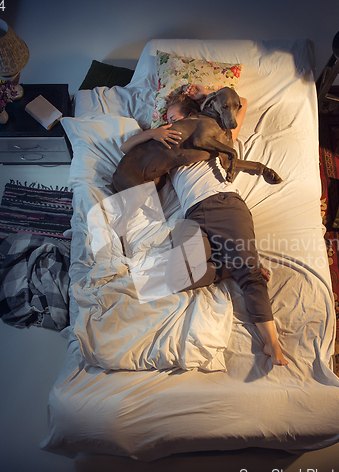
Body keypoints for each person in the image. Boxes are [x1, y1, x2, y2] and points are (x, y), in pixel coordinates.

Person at [120, 86, 288, 366]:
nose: (169, 124)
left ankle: (272, 343)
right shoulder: (166, 149)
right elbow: (125, 148)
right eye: (166, 121)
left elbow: (240, 102)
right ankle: (231, 268)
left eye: (173, 118)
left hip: (223, 204)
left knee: (251, 276)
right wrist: (153, 133)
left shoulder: (214, 134)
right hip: (192, 217)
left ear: (189, 117)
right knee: (176, 278)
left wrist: (204, 95)